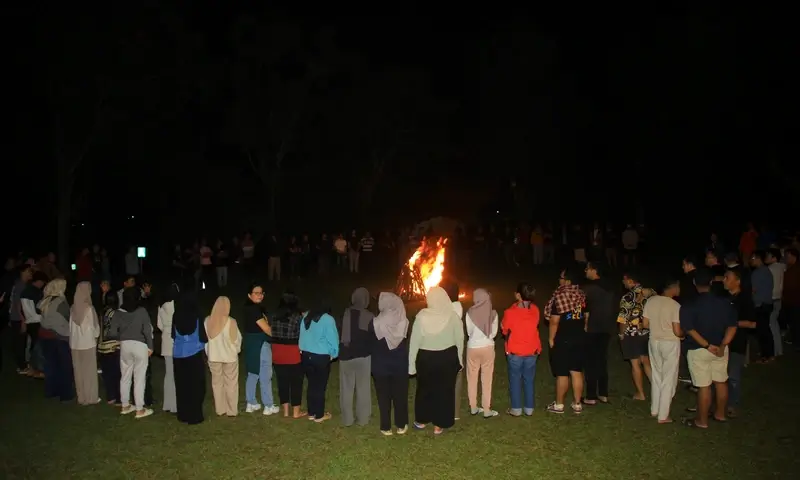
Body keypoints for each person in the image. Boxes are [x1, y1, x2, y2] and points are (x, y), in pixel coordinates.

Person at [679, 268, 737, 428]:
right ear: (712, 282)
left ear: (694, 283)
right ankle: (720, 414)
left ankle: (702, 421)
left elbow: (689, 329)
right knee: (721, 381)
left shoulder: (690, 305)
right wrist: (723, 345)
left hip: (699, 349)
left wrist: (706, 345)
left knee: (704, 386)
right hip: (720, 348)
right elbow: (732, 326)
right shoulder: (725, 303)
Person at [409, 286, 464, 435]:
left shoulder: (421, 316)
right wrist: (459, 360)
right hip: (447, 358)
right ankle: (439, 424)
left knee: (424, 389)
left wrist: (411, 365)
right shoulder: (452, 316)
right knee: (445, 391)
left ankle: (422, 420)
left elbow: (414, 342)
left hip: (426, 359)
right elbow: (460, 339)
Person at [543, 268, 587, 414]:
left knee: (562, 373)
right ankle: (577, 404)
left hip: (564, 338)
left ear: (568, 281)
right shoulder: (581, 295)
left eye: (561, 278)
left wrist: (551, 338)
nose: (559, 280)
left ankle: (559, 405)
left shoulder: (561, 297)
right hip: (579, 337)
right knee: (576, 371)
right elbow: (586, 315)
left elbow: (554, 321)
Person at [111, 287, 154, 419]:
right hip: (140, 345)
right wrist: (151, 347)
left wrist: (121, 338)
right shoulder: (142, 311)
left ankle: (125, 405)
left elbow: (112, 332)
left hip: (125, 345)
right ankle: (140, 409)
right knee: (139, 378)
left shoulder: (118, 313)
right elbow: (147, 330)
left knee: (125, 376)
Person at [370, 292, 410, 435]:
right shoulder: (403, 321)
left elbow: (371, 343)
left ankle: (385, 426)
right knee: (400, 395)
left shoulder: (375, 322)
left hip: (380, 365)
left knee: (383, 396)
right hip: (399, 364)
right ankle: (400, 424)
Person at [643, 279, 682, 423]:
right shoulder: (675, 305)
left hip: (654, 341)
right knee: (668, 377)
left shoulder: (651, 301)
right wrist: (683, 335)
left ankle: (655, 409)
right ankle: (663, 415)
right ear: (672, 287)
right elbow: (677, 330)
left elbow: (645, 324)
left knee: (657, 375)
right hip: (670, 342)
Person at [501, 282, 541, 416]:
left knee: (515, 379)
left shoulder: (510, 312)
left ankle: (516, 408)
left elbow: (505, 330)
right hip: (532, 350)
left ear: (518, 295)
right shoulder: (535, 310)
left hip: (515, 352)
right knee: (529, 379)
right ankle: (529, 408)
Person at [172, 283, 207, 424]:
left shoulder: (176, 314)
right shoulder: (197, 313)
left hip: (178, 354)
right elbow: (202, 336)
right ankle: (195, 415)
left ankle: (183, 414)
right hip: (194, 353)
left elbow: (173, 334)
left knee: (182, 385)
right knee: (196, 386)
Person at [299, 300, 339, 423]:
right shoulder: (328, 319)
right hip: (320, 357)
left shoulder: (306, 316)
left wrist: (302, 350)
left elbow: (301, 335)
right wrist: (333, 354)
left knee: (311, 384)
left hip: (306, 355)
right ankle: (319, 415)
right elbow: (333, 338)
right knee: (320, 386)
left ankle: (311, 412)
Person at [339, 287, 374, 427]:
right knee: (363, 387)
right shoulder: (370, 316)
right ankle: (363, 418)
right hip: (363, 357)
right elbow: (373, 337)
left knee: (346, 389)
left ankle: (347, 419)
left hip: (346, 356)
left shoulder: (345, 313)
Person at [617, 271, 655, 400]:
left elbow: (623, 318)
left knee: (635, 363)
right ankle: (657, 388)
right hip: (645, 332)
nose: (623, 282)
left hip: (631, 333)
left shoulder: (628, 297)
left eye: (624, 280)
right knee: (646, 361)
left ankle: (640, 393)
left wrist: (621, 334)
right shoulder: (650, 294)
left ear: (630, 280)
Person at [724, 267, 756, 418]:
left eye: (727, 277)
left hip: (737, 342)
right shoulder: (722, 298)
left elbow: (752, 323)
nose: (724, 280)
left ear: (738, 281)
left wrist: (732, 323)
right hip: (720, 341)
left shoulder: (745, 300)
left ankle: (732, 404)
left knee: (733, 376)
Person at [242, 282, 278, 415]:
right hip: (260, 344)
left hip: (251, 344)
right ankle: (268, 405)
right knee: (265, 374)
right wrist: (281, 335)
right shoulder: (254, 309)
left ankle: (251, 403)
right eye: (256, 293)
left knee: (252, 373)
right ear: (249, 295)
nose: (259, 295)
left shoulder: (248, 308)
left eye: (261, 293)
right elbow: (267, 329)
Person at [582, 262, 616, 404]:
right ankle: (603, 393)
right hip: (606, 328)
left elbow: (586, 311)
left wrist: (585, 325)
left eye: (587, 269)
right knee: (602, 360)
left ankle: (591, 396)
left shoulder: (589, 289)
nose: (585, 271)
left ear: (594, 270)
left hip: (592, 328)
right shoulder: (610, 287)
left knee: (591, 361)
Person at [270, 291, 306, 418]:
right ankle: (296, 412)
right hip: (293, 352)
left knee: (282, 382)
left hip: (277, 351)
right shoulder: (297, 317)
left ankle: (285, 411)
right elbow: (302, 333)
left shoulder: (274, 315)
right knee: (296, 382)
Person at [38, 278, 74, 402]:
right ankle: (65, 394)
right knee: (64, 366)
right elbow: (68, 317)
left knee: (51, 365)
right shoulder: (60, 302)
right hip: (60, 337)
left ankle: (51, 391)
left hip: (45, 336)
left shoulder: (45, 301)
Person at [465, 288, 499, 418]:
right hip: (488, 347)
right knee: (487, 378)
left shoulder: (469, 313)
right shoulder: (493, 314)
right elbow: (494, 334)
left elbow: (468, 332)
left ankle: (473, 407)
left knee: (472, 378)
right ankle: (486, 409)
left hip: (473, 347)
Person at [205, 296, 241, 417]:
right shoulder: (231, 321)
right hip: (229, 357)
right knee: (231, 383)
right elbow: (237, 340)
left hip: (214, 357)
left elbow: (206, 340)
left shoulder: (207, 321)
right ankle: (232, 410)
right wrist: (236, 350)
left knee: (217, 383)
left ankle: (220, 409)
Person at [69, 282, 100, 406]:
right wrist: (96, 336)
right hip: (87, 343)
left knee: (79, 371)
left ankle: (81, 397)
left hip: (75, 344)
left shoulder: (73, 308)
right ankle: (91, 397)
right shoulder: (89, 309)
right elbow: (95, 328)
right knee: (90, 371)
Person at [440, 280, 465, 420]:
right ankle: (453, 412)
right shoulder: (457, 305)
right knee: (455, 380)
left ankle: (450, 410)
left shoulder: (451, 307)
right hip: (454, 346)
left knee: (451, 379)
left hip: (449, 346)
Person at [157, 283, 179, 414]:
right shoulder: (176, 305)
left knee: (168, 373)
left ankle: (168, 404)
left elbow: (159, 325)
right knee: (176, 373)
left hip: (165, 341)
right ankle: (175, 404)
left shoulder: (161, 307)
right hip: (175, 340)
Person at [98, 292, 121, 405]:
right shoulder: (116, 313)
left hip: (102, 346)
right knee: (116, 374)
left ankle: (110, 397)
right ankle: (118, 398)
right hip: (113, 347)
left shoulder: (102, 312)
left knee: (107, 374)